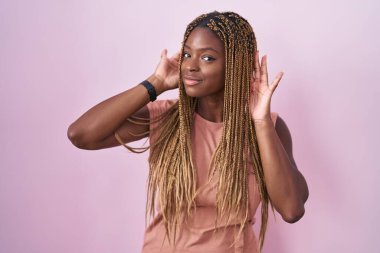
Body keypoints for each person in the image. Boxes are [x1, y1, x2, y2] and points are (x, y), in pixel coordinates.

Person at [68, 11, 309, 253]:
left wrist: (261, 121)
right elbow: (81, 135)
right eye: (186, 54)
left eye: (207, 58)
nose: (190, 66)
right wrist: (155, 83)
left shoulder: (267, 127)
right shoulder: (167, 117)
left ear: (237, 64)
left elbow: (291, 210)